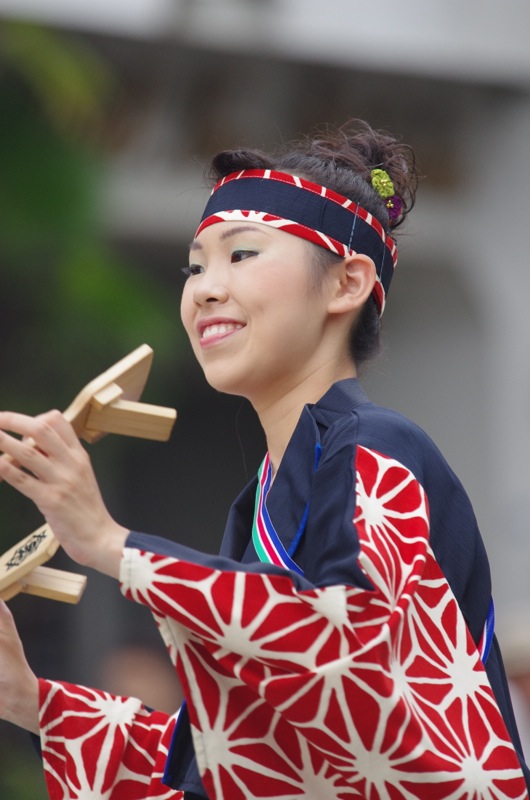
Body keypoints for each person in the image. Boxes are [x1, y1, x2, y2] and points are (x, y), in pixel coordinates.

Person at [0, 119, 528, 800]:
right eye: (195, 267)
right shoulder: (258, 502)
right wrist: (31, 700)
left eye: (241, 254)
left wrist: (111, 544)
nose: (205, 289)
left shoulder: (378, 447)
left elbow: (347, 659)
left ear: (347, 283)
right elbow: (233, 758)